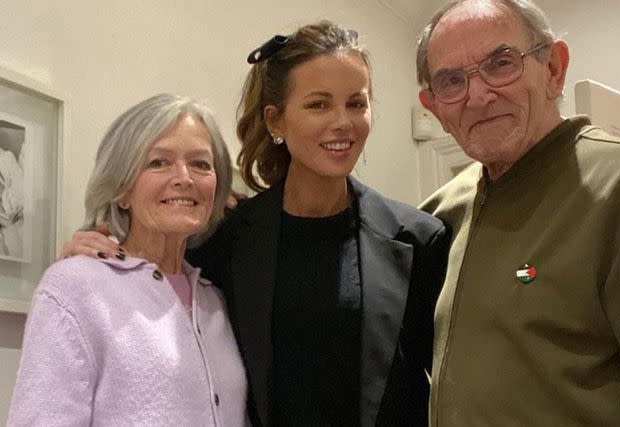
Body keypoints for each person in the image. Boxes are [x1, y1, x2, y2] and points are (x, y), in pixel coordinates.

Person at [61, 22, 450, 426]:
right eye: (319, 104)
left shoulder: (418, 239)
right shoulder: (223, 238)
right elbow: (151, 276)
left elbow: (449, 388)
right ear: (275, 121)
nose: (343, 122)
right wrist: (94, 249)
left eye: (356, 103)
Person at [416, 0, 620, 425]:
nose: (478, 96)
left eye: (501, 63)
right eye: (451, 81)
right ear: (435, 108)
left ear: (554, 69)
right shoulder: (438, 215)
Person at [8, 94, 250, 426]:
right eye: (159, 162)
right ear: (122, 189)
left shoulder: (215, 300)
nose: (185, 177)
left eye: (200, 164)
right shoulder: (75, 288)